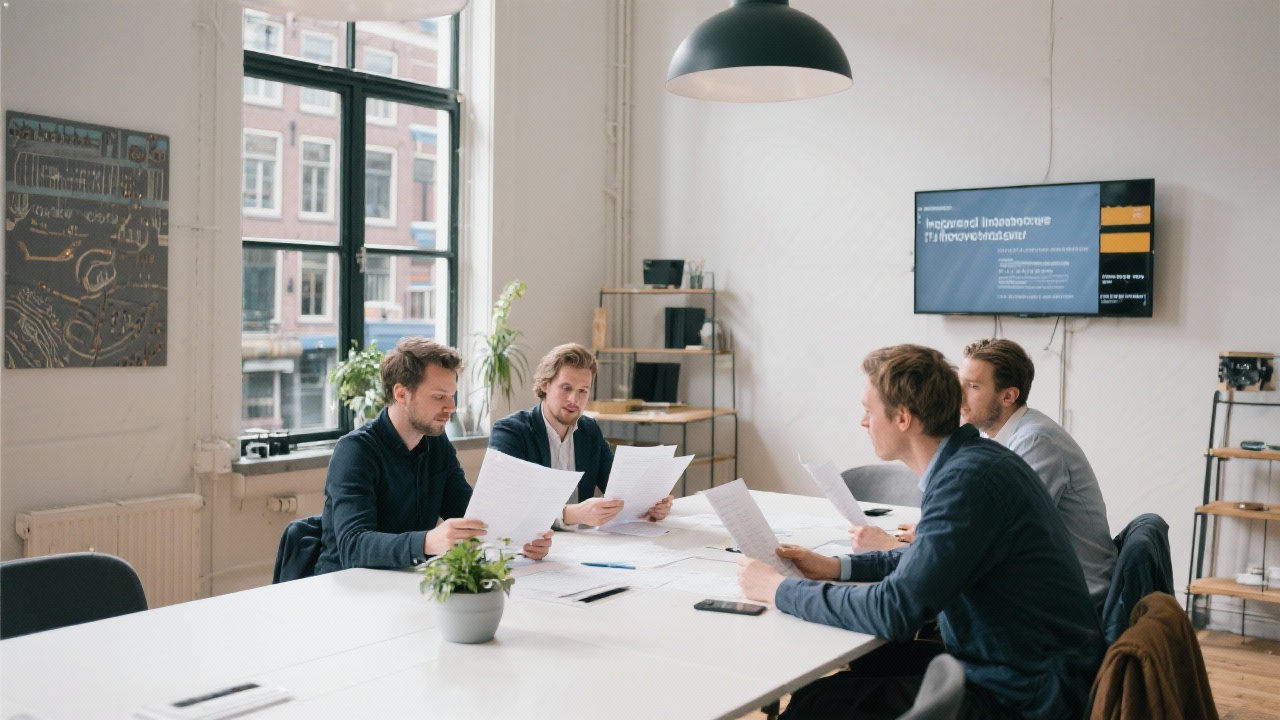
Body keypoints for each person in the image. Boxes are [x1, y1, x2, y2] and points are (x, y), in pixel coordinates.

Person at [738, 344, 1104, 720]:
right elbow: (927, 557)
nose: (863, 422)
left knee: (819, 703)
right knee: (869, 663)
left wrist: (780, 589)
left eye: (868, 410)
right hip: (1020, 664)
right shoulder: (972, 464)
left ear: (903, 418)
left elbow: (894, 611)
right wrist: (836, 568)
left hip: (1025, 693)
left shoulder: (968, 482)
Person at [851, 338, 1116, 608]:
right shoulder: (994, 438)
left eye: (973, 386)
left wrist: (890, 546)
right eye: (959, 383)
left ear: (1008, 396)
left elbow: (987, 546)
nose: (959, 396)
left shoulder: (1035, 442)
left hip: (1076, 601)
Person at [314, 337, 552, 575]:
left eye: (452, 395)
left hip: (404, 581)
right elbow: (353, 547)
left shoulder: (436, 443)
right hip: (346, 589)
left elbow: (468, 513)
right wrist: (427, 542)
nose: (451, 406)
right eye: (439, 396)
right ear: (401, 394)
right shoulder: (355, 451)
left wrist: (522, 538)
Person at [489, 343, 673, 527]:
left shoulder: (589, 430)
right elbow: (506, 504)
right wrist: (569, 514)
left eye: (582, 391)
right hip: (531, 544)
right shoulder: (511, 432)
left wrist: (650, 506)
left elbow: (619, 488)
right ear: (545, 385)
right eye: (566, 388)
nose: (573, 400)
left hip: (583, 544)